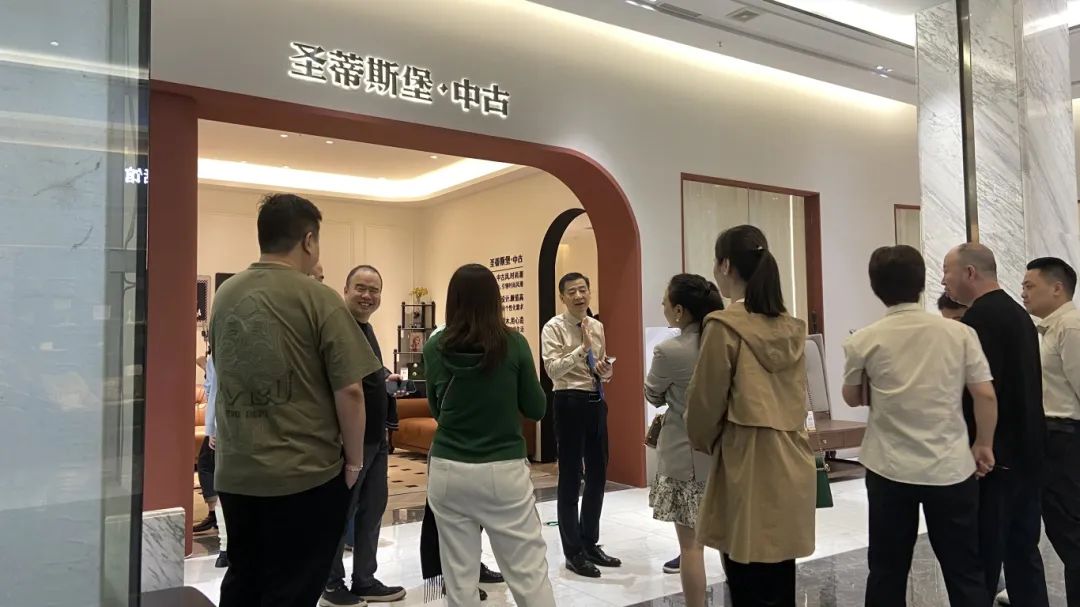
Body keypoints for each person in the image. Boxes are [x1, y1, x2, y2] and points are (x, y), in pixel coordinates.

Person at [210, 193, 382, 607]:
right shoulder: (318, 297)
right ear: (308, 240)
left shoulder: (226, 294)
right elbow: (351, 390)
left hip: (236, 474)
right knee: (293, 589)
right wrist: (354, 463)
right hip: (303, 476)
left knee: (244, 581)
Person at [843, 245, 995, 607]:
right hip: (950, 468)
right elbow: (985, 395)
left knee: (887, 570)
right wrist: (983, 444)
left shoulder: (863, 339)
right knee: (964, 570)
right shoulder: (959, 333)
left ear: (875, 286)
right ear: (922, 283)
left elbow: (851, 397)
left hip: (889, 468)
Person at [685, 225, 815, 606]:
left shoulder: (724, 327)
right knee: (780, 578)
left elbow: (704, 405)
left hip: (746, 463)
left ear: (725, 265)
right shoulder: (790, 328)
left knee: (746, 580)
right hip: (792, 458)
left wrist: (705, 441)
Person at [423, 263, 556, 607]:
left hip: (448, 471)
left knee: (458, 577)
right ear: (495, 299)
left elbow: (437, 410)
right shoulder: (514, 344)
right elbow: (537, 408)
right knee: (528, 574)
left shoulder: (434, 348)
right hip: (503, 471)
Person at [941, 243, 1049, 607]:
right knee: (1023, 553)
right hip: (1027, 452)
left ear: (970, 273)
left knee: (983, 557)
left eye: (947, 271)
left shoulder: (979, 321)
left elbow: (981, 392)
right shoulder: (1017, 314)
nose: (943, 280)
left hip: (995, 459)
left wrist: (978, 444)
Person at [320, 265, 406, 606]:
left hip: (375, 439)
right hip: (348, 443)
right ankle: (330, 584)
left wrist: (384, 377)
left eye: (374, 290)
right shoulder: (338, 327)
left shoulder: (365, 329)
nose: (367, 296)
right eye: (360, 288)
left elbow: (364, 371)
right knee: (340, 515)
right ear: (345, 289)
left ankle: (365, 580)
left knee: (372, 511)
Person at [646, 274, 724, 607]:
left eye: (665, 302)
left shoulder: (668, 350)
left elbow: (652, 393)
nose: (662, 306)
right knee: (730, 542)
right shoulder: (725, 343)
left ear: (679, 311)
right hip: (724, 454)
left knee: (691, 548)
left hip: (684, 456)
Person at [541, 272, 620, 578]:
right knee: (571, 477)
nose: (579, 296)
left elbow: (601, 369)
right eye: (572, 291)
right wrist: (581, 349)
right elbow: (552, 370)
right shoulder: (553, 327)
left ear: (589, 292)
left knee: (598, 474)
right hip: (568, 401)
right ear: (562, 297)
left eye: (583, 290)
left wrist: (605, 370)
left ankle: (590, 542)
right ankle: (573, 552)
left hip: (595, 400)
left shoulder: (597, 326)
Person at [1022, 257, 1080, 606]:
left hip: (1066, 440)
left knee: (1072, 535)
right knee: (1065, 534)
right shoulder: (1049, 329)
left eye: (1030, 285)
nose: (1023, 293)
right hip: (1050, 439)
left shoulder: (1070, 327)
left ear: (1057, 288)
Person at [202, 352, 229, 569]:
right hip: (242, 430)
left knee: (226, 489)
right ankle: (225, 547)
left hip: (224, 428)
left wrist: (211, 429)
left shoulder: (217, 355)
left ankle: (225, 549)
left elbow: (211, 391)